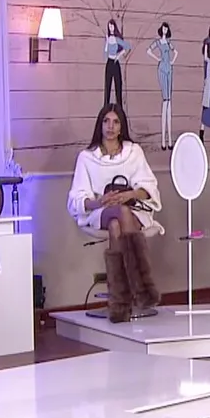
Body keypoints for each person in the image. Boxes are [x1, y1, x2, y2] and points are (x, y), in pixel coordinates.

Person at [68, 104, 163, 322]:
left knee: (116, 224)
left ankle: (119, 301)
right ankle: (142, 287)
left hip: (133, 209)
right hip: (99, 211)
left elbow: (149, 187)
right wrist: (100, 201)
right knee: (118, 214)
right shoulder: (86, 157)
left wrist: (130, 194)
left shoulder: (134, 152)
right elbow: (77, 198)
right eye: (106, 121)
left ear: (121, 127)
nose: (110, 127)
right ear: (100, 125)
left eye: (116, 122)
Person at [146, 22, 177, 151]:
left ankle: (169, 140)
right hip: (162, 69)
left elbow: (176, 52)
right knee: (165, 101)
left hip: (169, 68)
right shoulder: (158, 42)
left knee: (169, 102)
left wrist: (172, 61)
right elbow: (148, 51)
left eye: (166, 28)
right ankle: (163, 140)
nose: (165, 30)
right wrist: (157, 59)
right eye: (163, 28)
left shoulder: (168, 42)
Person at [103, 19, 131, 109]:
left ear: (114, 27)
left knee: (118, 86)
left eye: (112, 26)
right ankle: (105, 107)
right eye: (109, 26)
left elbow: (127, 46)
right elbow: (105, 53)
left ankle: (119, 108)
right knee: (107, 86)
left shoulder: (117, 39)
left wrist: (118, 55)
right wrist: (107, 41)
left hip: (115, 63)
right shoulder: (108, 38)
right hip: (109, 62)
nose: (110, 28)